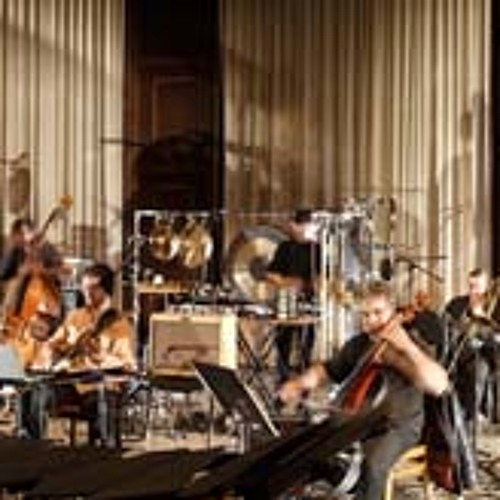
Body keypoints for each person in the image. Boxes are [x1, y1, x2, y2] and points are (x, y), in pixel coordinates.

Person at [279, 281, 450, 500]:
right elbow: (328, 369)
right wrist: (302, 382)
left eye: (378, 313)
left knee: (373, 464)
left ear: (393, 311)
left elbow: (439, 385)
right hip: (358, 422)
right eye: (365, 315)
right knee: (308, 445)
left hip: (398, 425)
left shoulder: (412, 343)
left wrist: (407, 347)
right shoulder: (359, 344)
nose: (371, 320)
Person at [20, 262, 136, 447]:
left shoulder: (119, 323)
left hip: (98, 387)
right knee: (35, 388)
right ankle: (31, 445)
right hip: (70, 384)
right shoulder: (75, 317)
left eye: (93, 288)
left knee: (103, 398)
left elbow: (128, 364)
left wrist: (99, 357)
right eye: (84, 288)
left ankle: (106, 453)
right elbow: (52, 343)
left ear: (106, 290)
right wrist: (51, 353)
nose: (87, 293)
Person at [266, 208, 321, 384]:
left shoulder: (317, 249)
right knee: (283, 340)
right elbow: (270, 274)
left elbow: (323, 277)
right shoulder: (284, 247)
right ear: (293, 226)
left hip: (309, 302)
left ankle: (304, 377)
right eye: (299, 226)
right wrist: (285, 282)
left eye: (306, 226)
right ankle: (282, 377)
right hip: (286, 300)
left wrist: (310, 284)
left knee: (306, 342)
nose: (302, 230)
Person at [443, 268, 500, 431]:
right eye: (470, 286)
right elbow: (445, 325)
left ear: (486, 287)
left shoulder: (496, 306)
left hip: (486, 353)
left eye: (477, 287)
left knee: (479, 368)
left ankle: (471, 417)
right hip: (459, 351)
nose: (473, 291)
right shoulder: (457, 303)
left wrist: (485, 323)